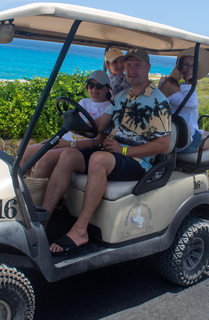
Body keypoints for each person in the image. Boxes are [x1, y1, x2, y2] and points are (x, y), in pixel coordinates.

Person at [44, 47, 171, 254]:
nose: (131, 70)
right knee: (68, 156)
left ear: (148, 67)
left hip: (137, 161)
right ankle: (43, 221)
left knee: (98, 160)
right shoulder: (121, 97)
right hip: (112, 153)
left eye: (137, 65)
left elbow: (163, 145)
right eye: (128, 65)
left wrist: (123, 151)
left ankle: (81, 230)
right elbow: (101, 125)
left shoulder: (159, 101)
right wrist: (75, 125)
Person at [20, 70, 111, 178]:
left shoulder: (108, 109)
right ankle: (22, 188)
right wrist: (54, 140)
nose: (94, 89)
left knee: (45, 158)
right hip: (63, 140)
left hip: (78, 147)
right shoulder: (83, 102)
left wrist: (70, 144)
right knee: (26, 153)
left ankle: (34, 192)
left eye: (99, 86)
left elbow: (98, 141)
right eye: (91, 85)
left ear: (107, 88)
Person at [158, 47, 209, 194]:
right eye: (186, 65)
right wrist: (183, 81)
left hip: (185, 133)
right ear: (178, 66)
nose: (189, 69)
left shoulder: (177, 85)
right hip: (183, 140)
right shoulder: (170, 86)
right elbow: (192, 103)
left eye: (193, 66)